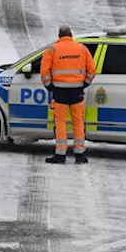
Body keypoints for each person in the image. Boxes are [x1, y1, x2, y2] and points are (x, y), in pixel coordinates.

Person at [41, 25, 96, 164]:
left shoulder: (52, 49)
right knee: (78, 122)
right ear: (71, 35)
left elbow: (44, 72)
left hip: (59, 91)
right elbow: (91, 70)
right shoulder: (82, 49)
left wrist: (50, 87)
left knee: (60, 122)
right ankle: (80, 154)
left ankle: (60, 154)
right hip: (77, 91)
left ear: (59, 36)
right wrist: (84, 84)